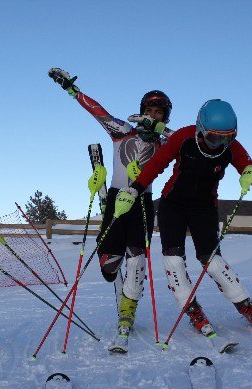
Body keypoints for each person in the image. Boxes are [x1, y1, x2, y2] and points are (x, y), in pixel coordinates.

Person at [114, 99, 252, 335]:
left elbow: (249, 165)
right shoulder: (184, 137)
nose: (221, 144)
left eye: (228, 137)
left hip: (204, 207)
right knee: (174, 260)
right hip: (172, 205)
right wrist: (135, 188)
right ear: (201, 130)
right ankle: (192, 310)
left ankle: (245, 305)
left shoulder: (230, 147)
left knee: (212, 260)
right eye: (215, 137)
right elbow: (157, 163)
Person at [48, 67, 173, 338]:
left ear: (165, 117)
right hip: (117, 197)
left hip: (142, 200)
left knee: (137, 256)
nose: (153, 116)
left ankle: (128, 309)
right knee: (108, 267)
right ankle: (117, 265)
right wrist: (72, 89)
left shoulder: (166, 142)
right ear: (141, 111)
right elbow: (97, 111)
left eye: (158, 113)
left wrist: (161, 129)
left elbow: (187, 143)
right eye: (149, 111)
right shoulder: (123, 131)